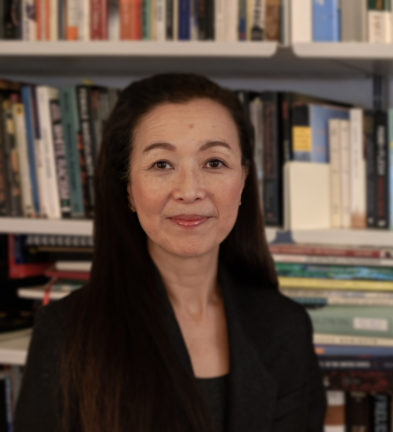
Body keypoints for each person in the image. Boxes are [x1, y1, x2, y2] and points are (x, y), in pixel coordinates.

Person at [14, 73, 326, 432]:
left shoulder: (286, 327)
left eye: (214, 163)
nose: (189, 191)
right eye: (162, 164)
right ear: (128, 189)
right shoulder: (66, 333)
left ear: (242, 181)